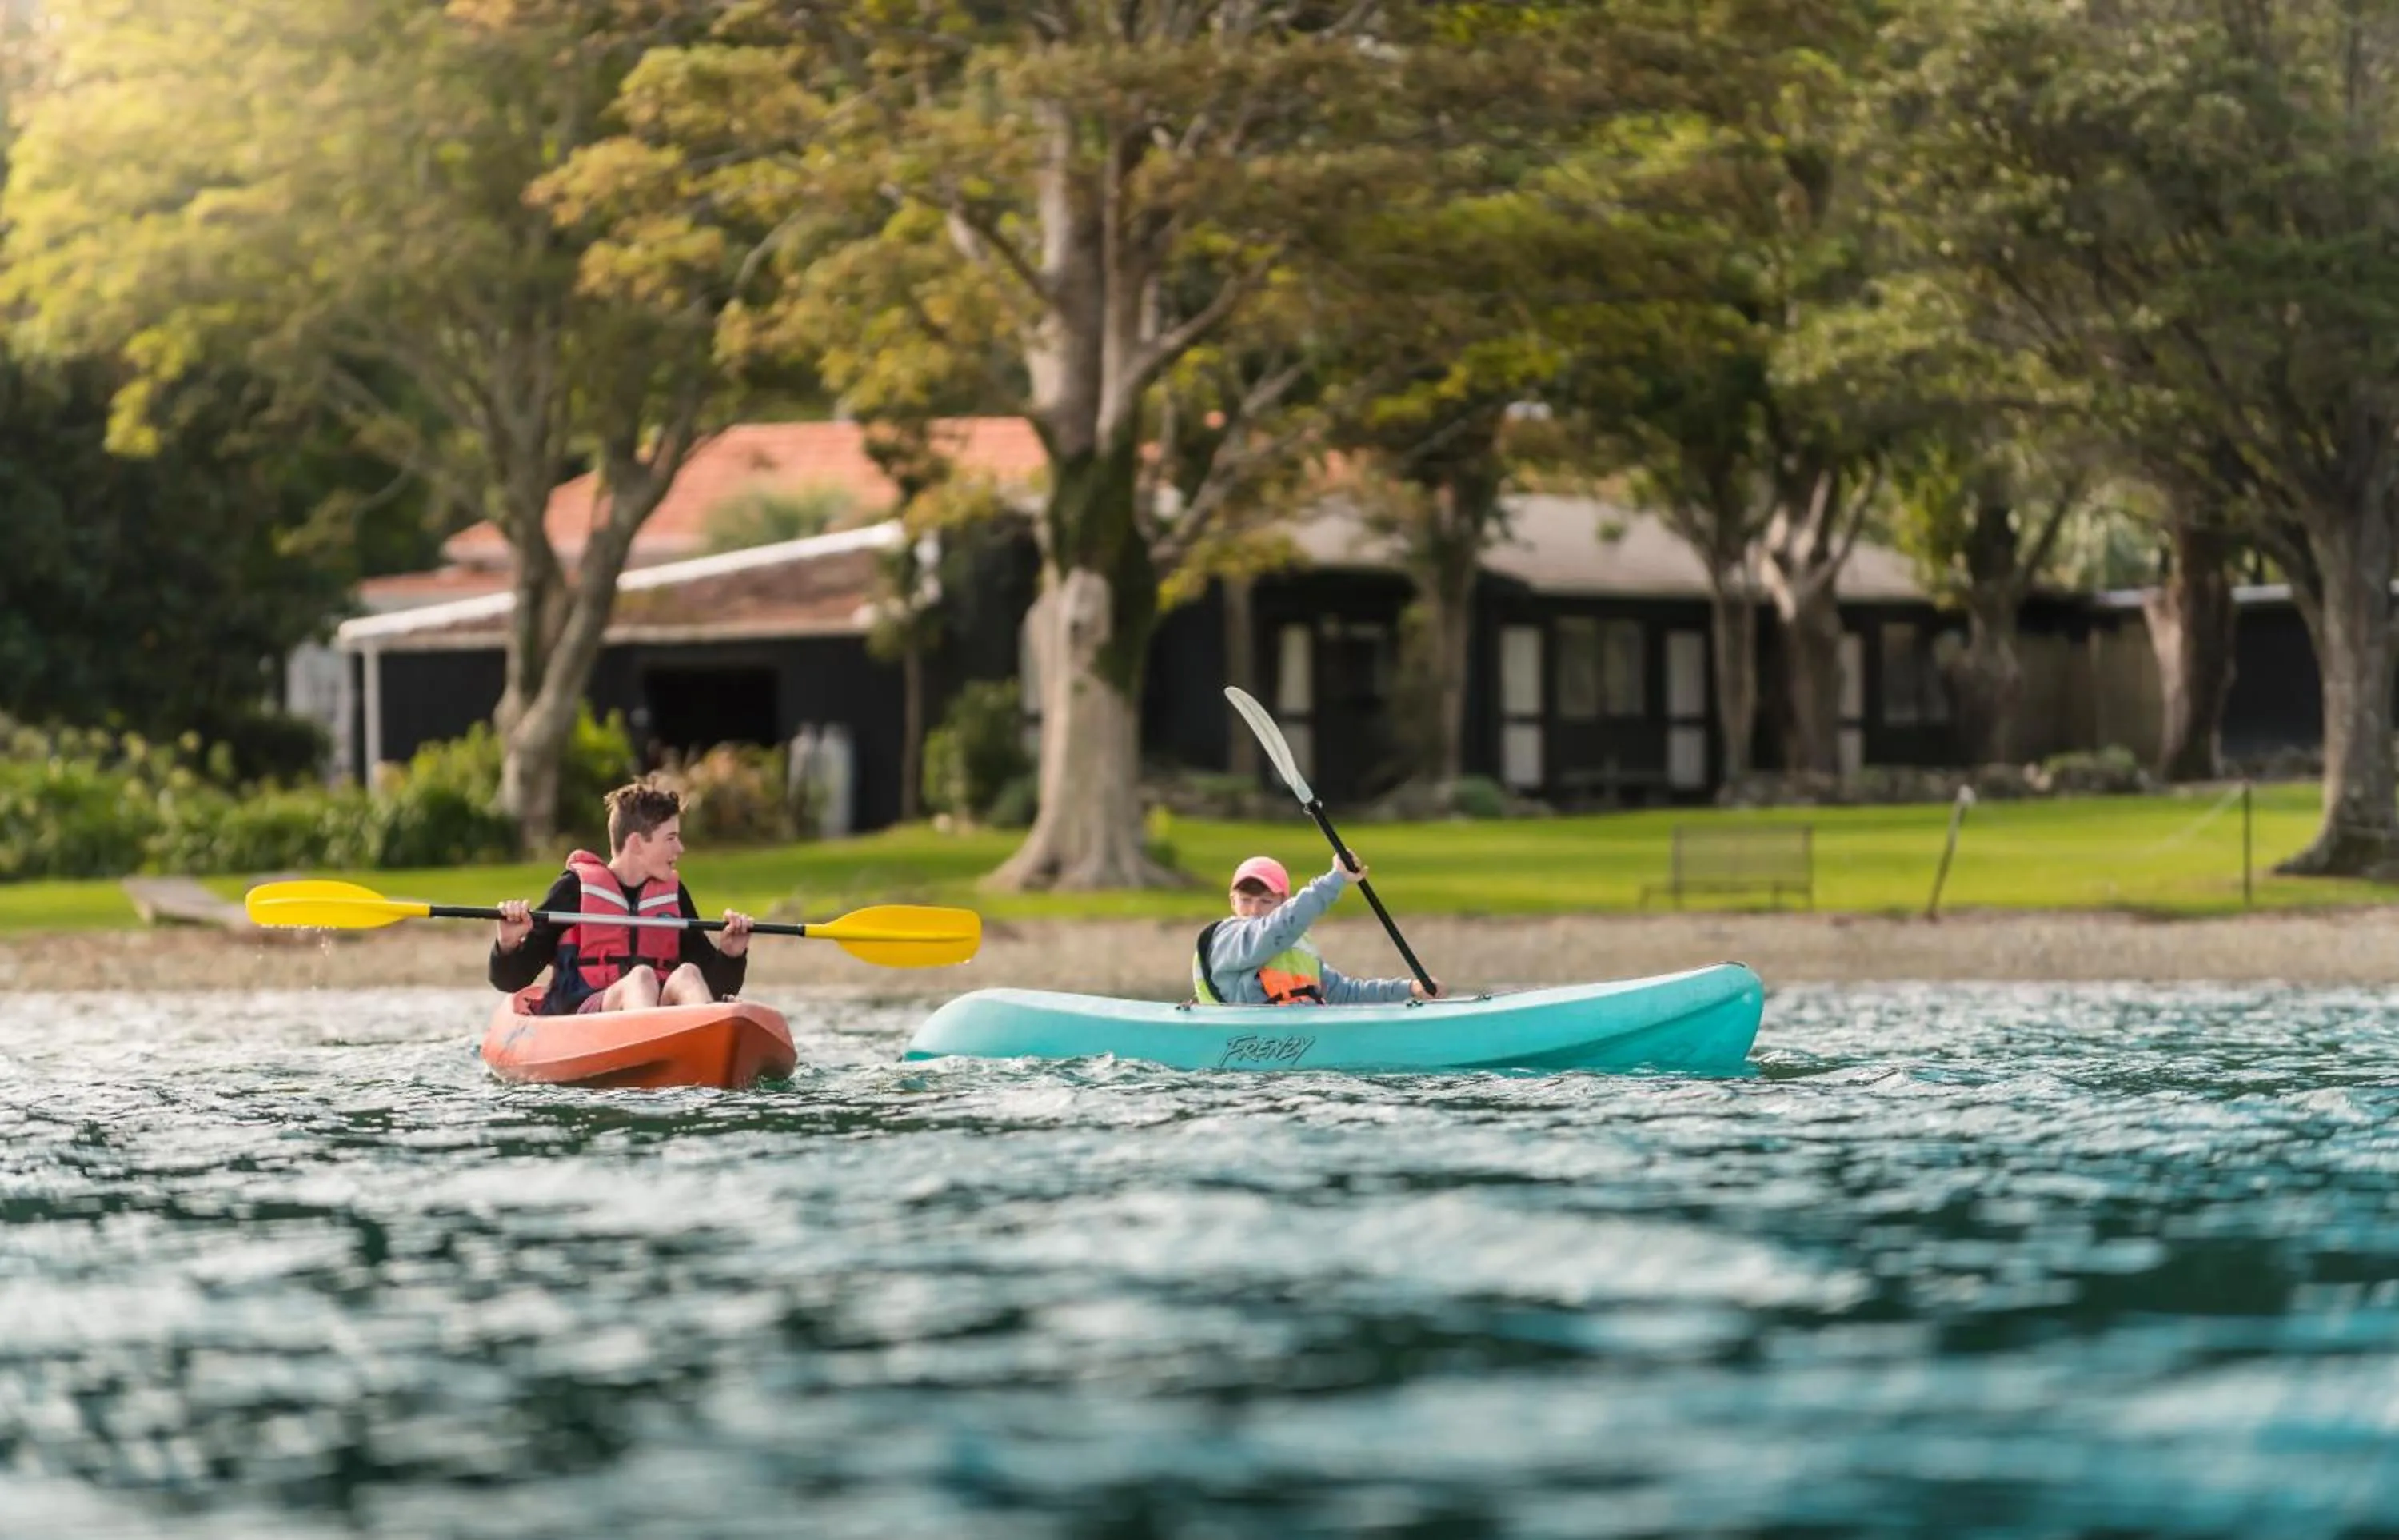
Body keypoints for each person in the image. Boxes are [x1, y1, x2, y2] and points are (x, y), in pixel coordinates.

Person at [489, 780, 755, 1015]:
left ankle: (702, 1047)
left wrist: (731, 954)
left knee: (688, 975)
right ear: (637, 843)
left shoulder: (672, 896)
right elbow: (511, 981)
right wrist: (508, 944)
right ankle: (651, 1049)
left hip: (657, 1015)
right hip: (584, 1013)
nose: (680, 848)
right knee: (641, 978)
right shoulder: (573, 891)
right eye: (670, 838)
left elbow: (717, 986)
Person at [1191, 852, 1442, 1006]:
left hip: (1300, 1041)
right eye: (1245, 900)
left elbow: (1344, 993)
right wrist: (1334, 880)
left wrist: (1409, 988)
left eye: (1266, 901)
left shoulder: (1297, 944)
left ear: (1282, 904)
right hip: (1252, 1044)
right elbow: (1274, 930)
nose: (1254, 910)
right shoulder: (1230, 938)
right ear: (1232, 901)